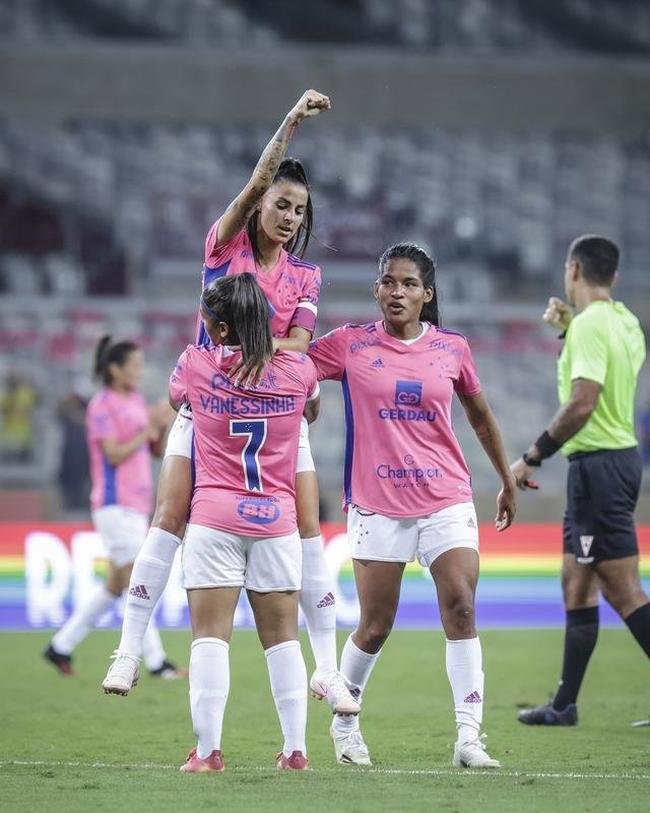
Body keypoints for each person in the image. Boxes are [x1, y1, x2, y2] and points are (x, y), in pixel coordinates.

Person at [103, 89, 359, 715]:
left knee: (307, 528)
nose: (290, 216)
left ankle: (327, 668)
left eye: (300, 209)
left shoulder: (305, 275)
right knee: (168, 516)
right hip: (209, 409)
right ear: (260, 202)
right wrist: (291, 123)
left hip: (273, 413)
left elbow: (300, 343)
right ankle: (129, 647)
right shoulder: (224, 248)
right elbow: (290, 346)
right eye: (280, 204)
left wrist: (286, 367)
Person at [308, 243, 517, 768]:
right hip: (377, 503)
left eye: (407, 284)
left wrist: (507, 478)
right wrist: (307, 395)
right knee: (376, 625)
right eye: (388, 282)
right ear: (377, 289)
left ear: (427, 294)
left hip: (445, 497)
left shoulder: (452, 348)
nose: (396, 291)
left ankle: (469, 738)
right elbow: (293, 371)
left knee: (462, 606)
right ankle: (346, 722)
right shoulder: (349, 345)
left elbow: (481, 417)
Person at [170, 274, 320, 772]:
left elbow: (178, 402)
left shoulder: (195, 364)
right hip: (277, 520)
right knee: (282, 639)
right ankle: (295, 750)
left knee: (210, 637)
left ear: (218, 328)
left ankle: (208, 752)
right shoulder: (299, 370)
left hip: (214, 517)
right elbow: (311, 409)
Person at [512, 235, 649, 726]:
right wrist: (572, 330)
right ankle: (565, 704)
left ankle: (566, 703)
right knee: (576, 582)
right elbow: (613, 374)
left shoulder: (591, 325)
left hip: (599, 466)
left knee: (623, 589)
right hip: (610, 462)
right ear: (611, 276)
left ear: (573, 270)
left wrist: (533, 455)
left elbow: (584, 401)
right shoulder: (624, 321)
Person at [44, 336, 184, 680]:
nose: (139, 372)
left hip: (135, 503)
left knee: (115, 586)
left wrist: (161, 427)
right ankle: (155, 661)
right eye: (134, 365)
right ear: (114, 368)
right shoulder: (102, 405)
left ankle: (61, 645)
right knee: (138, 579)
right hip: (113, 503)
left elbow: (153, 451)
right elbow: (114, 454)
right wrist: (146, 430)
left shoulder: (135, 400)